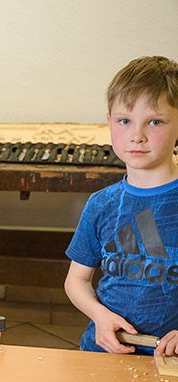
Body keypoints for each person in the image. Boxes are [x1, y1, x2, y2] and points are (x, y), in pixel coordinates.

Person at [65, 56, 178, 357]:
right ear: (110, 122)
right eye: (124, 121)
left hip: (168, 364)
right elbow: (76, 280)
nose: (137, 136)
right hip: (103, 353)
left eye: (155, 121)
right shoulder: (101, 204)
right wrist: (98, 315)